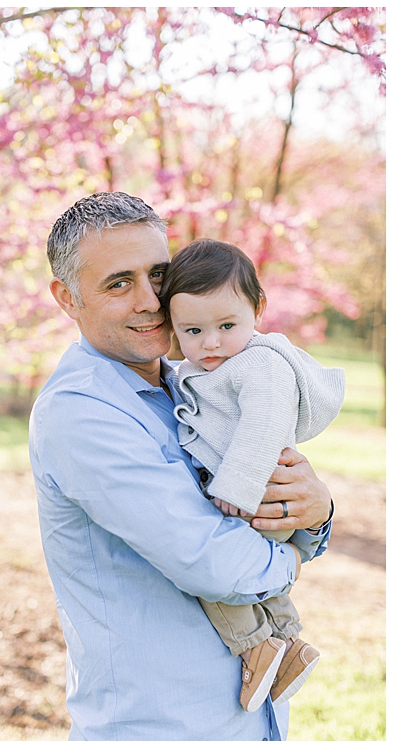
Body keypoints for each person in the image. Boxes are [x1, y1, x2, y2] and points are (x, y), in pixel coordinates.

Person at [28, 192, 334, 740]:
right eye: (119, 283)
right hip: (164, 726)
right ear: (67, 299)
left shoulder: (195, 385)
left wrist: (318, 510)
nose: (150, 300)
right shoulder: (80, 413)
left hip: (249, 721)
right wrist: (291, 557)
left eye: (159, 275)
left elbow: (278, 493)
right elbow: (212, 562)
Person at [160, 239, 344, 712]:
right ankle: (290, 643)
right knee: (252, 576)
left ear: (257, 310)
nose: (211, 343)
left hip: (255, 495)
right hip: (260, 497)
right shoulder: (208, 365)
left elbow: (263, 427)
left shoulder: (260, 363)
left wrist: (235, 490)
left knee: (213, 574)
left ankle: (254, 646)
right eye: (193, 330)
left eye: (226, 325)